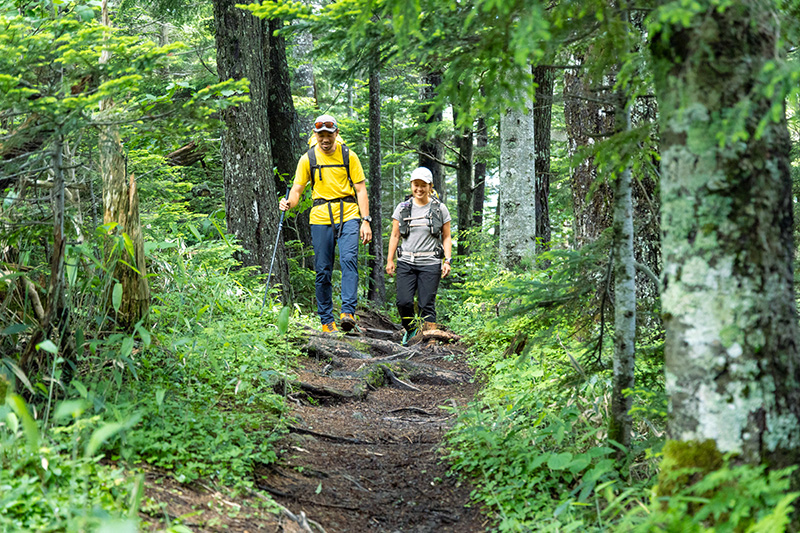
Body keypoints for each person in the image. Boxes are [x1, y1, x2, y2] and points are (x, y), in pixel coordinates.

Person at [279, 114, 372, 333]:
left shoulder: (349, 156)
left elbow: (360, 189)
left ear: (336, 134)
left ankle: (348, 312)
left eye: (329, 135)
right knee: (323, 270)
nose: (325, 139)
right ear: (316, 135)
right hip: (320, 217)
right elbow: (297, 190)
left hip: (348, 214)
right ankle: (326, 321)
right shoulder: (307, 159)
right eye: (321, 135)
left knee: (349, 259)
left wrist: (365, 221)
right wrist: (288, 203)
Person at [385, 167, 452, 345]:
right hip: (406, 261)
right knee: (403, 302)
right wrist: (389, 260)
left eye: (424, 185)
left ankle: (431, 340)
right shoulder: (402, 208)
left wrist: (447, 260)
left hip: (430, 262)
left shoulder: (440, 209)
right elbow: (394, 235)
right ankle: (412, 330)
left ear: (431, 186)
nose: (419, 189)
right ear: (411, 185)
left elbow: (446, 236)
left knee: (426, 304)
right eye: (416, 185)